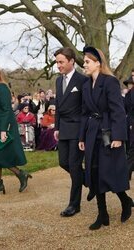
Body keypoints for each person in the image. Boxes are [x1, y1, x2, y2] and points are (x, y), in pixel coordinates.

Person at [78, 46, 133, 230]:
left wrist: (118, 136)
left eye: (87, 61)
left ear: (98, 64)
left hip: (109, 134)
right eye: (84, 61)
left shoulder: (110, 82)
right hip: (92, 133)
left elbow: (118, 110)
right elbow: (84, 114)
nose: (84, 64)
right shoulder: (86, 86)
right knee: (94, 174)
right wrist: (82, 137)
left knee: (110, 173)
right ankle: (103, 214)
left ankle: (125, 201)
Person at [0, 61, 31, 196]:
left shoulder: (2, 88)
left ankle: (20, 174)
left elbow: (7, 110)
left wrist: (3, 130)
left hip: (4, 125)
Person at [54, 47, 88, 217]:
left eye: (61, 62)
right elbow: (59, 106)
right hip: (64, 129)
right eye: (57, 62)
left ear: (71, 61)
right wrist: (57, 127)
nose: (58, 65)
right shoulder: (58, 81)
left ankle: (74, 205)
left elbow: (85, 110)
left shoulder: (83, 80)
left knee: (74, 166)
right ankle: (88, 180)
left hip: (77, 129)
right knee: (63, 162)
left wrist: (83, 134)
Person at [123, 77, 134, 180]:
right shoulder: (128, 95)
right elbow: (125, 110)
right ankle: (127, 174)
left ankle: (126, 174)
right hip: (129, 124)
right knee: (130, 148)